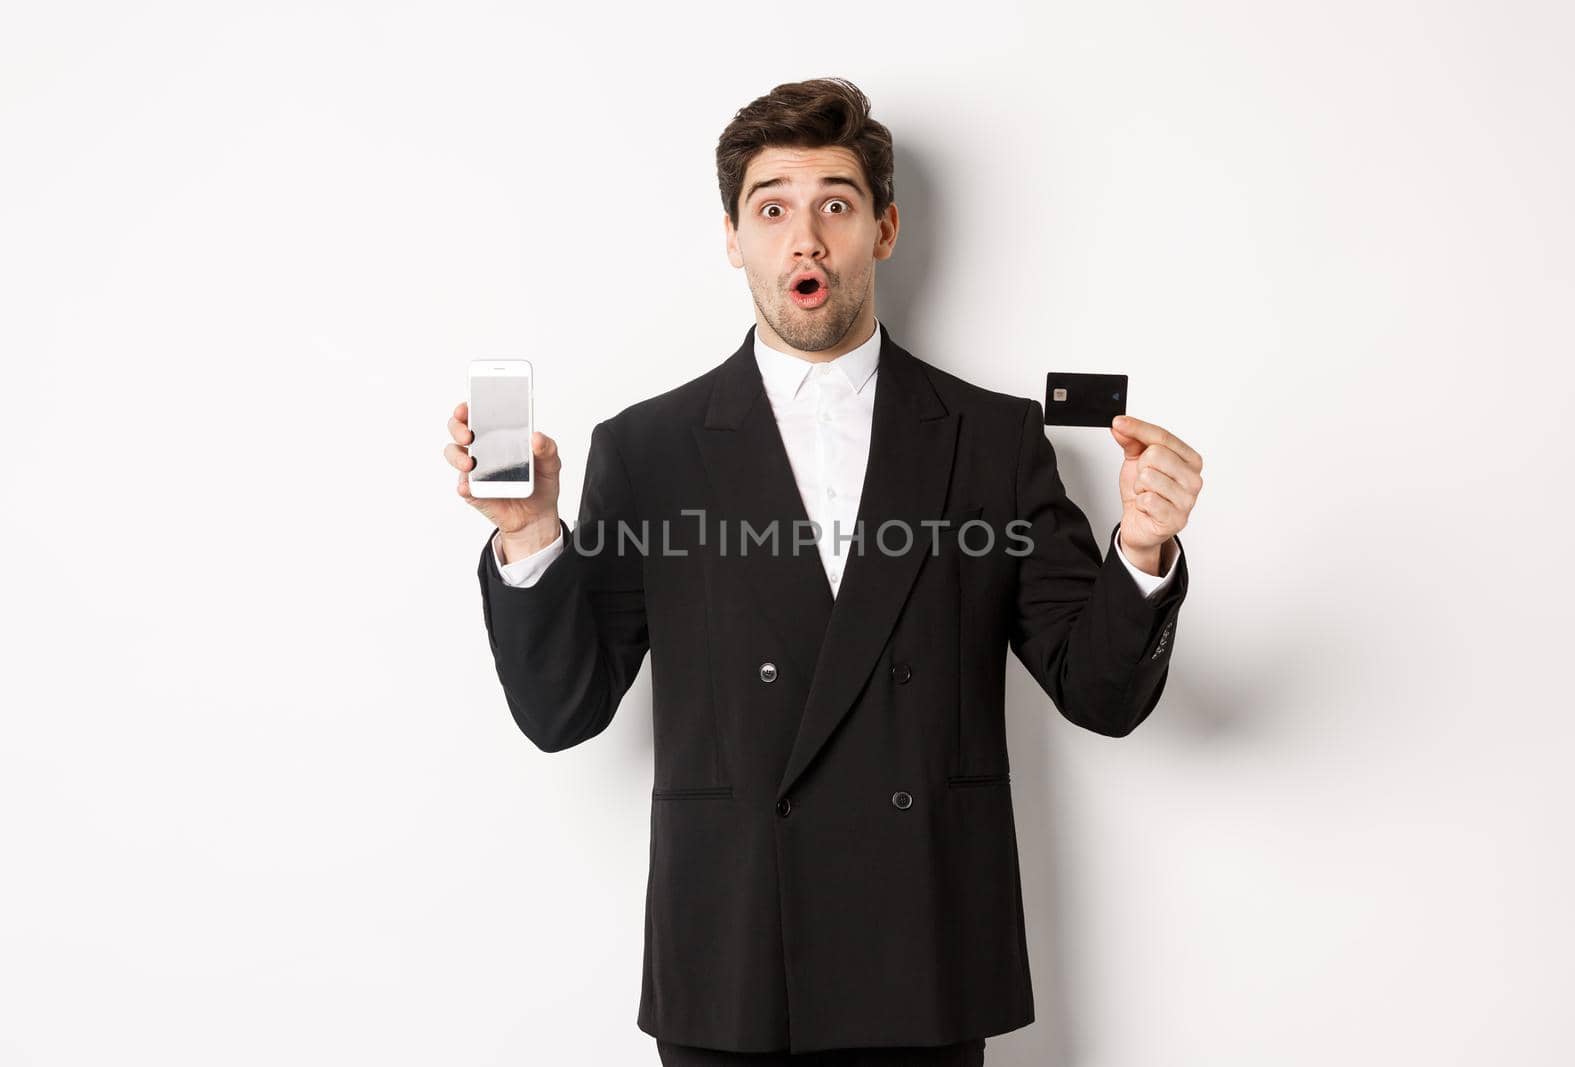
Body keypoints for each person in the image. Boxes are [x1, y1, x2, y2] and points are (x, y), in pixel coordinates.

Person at [441, 77, 1202, 1066]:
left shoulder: (991, 438)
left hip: (923, 955)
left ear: (882, 230)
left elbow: (1099, 691)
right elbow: (562, 710)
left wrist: (1140, 550)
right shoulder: (649, 447)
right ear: (733, 238)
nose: (805, 237)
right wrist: (531, 531)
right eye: (772, 208)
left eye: (835, 204)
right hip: (734, 959)